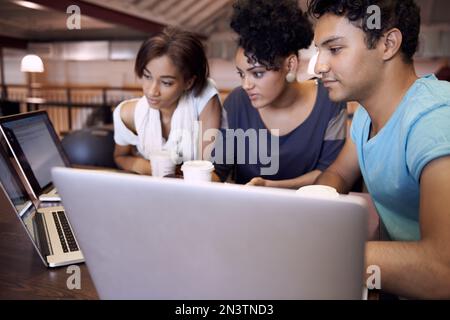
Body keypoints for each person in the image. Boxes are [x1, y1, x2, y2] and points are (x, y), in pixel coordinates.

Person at [308, 0, 450, 298]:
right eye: (319, 51)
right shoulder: (364, 116)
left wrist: (323, 251)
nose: (319, 66)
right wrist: (313, 210)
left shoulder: (435, 119)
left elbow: (442, 271)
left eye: (334, 49)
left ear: (388, 44)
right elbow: (338, 173)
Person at [212, 0, 347, 189]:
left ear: (290, 65)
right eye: (241, 74)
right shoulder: (236, 103)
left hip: (309, 211)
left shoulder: (329, 100)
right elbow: (219, 169)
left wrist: (272, 186)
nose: (246, 85)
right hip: (247, 211)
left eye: (257, 73)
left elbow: (331, 172)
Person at [113, 27, 223, 175]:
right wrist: (150, 168)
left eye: (166, 83)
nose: (152, 91)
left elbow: (206, 170)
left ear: (189, 82)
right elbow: (120, 156)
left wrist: (166, 174)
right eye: (147, 76)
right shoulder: (127, 115)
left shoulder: (204, 98)